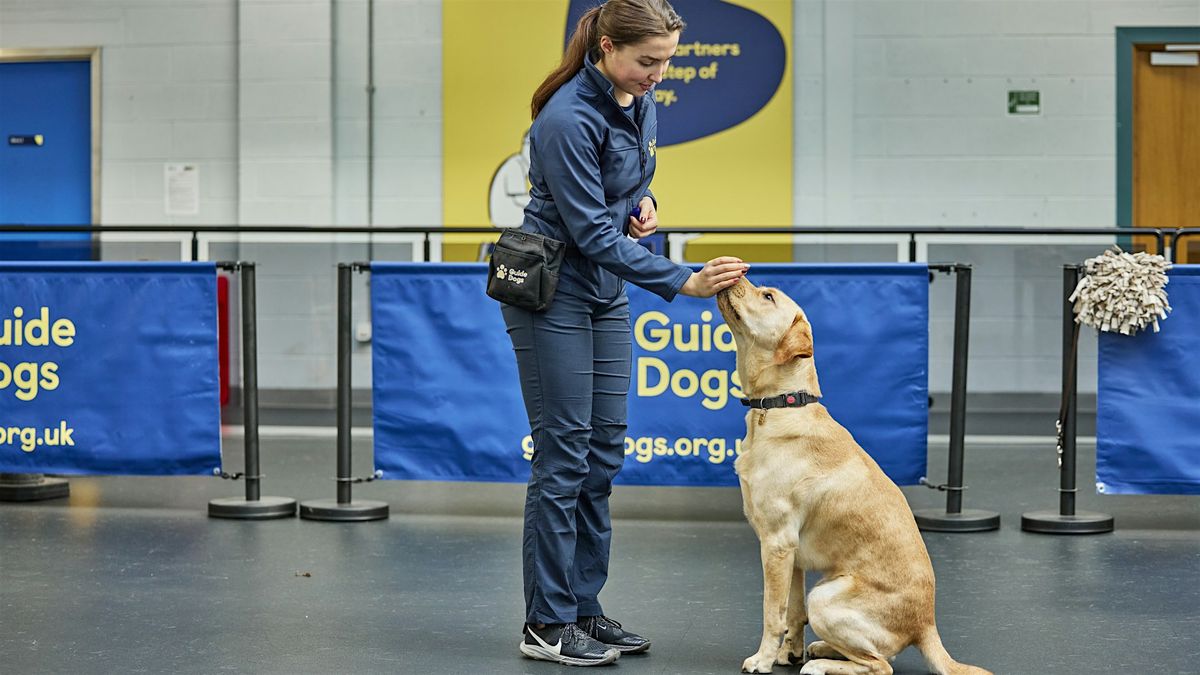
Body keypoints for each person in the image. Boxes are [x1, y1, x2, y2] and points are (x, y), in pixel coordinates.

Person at [500, 0, 748, 667]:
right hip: (551, 291)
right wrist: (678, 279)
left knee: (603, 453)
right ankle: (546, 624)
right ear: (607, 47)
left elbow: (625, 190)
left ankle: (583, 606)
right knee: (564, 456)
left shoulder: (638, 101)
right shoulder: (566, 119)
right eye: (648, 61)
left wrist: (643, 205)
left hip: (604, 290)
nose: (658, 74)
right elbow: (584, 232)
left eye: (666, 60)